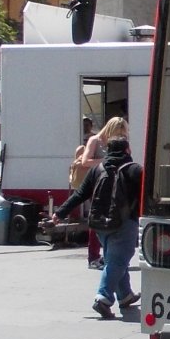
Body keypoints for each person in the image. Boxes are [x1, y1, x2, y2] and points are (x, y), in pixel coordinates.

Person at [51, 136, 142, 320]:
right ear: (127, 150)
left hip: (99, 224)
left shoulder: (97, 170)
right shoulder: (135, 170)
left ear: (108, 151)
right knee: (118, 260)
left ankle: (125, 296)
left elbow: (80, 194)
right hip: (124, 223)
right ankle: (103, 299)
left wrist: (59, 213)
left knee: (114, 259)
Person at [79, 117, 129, 268]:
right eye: (118, 131)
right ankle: (93, 257)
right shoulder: (95, 140)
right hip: (98, 182)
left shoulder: (121, 142)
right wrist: (107, 161)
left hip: (115, 184)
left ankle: (108, 255)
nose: (120, 135)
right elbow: (85, 161)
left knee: (114, 218)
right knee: (97, 219)